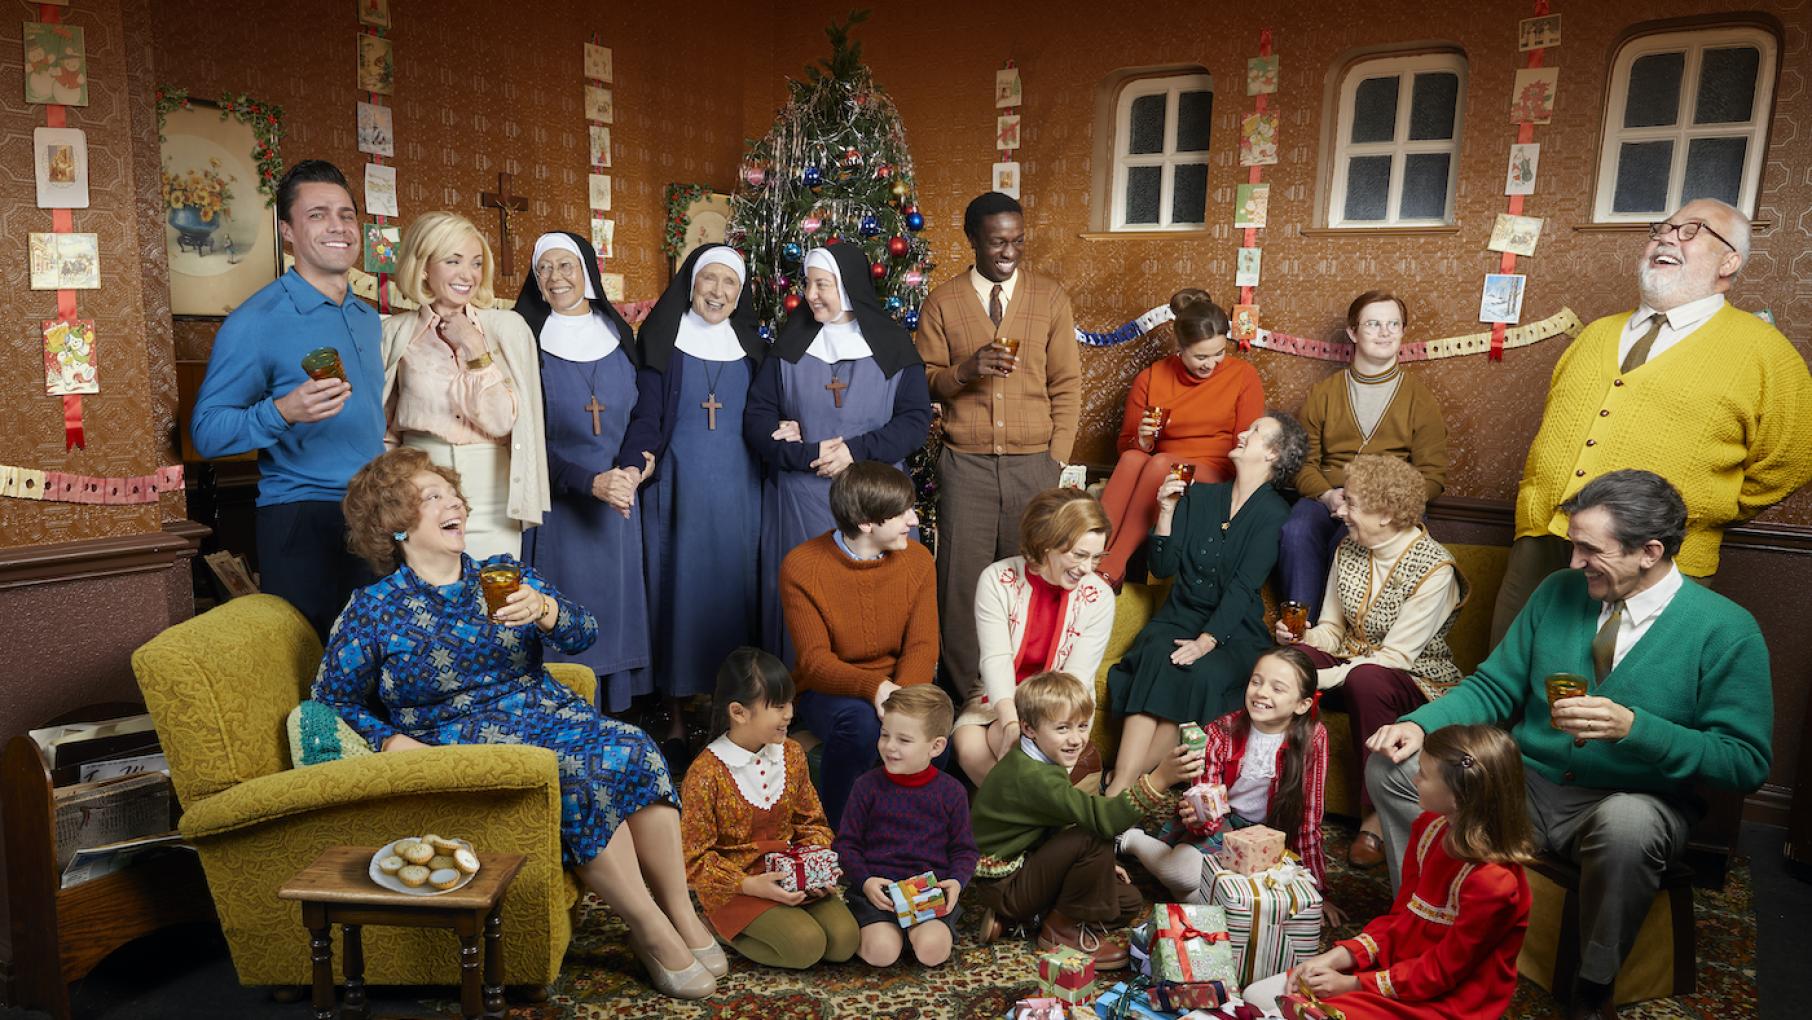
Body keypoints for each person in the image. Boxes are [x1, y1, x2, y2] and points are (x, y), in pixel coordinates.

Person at [1366, 470, 1773, 1020]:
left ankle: (1593, 983)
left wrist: (1638, 729)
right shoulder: (1557, 592)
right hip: (1527, 785)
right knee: (1397, 766)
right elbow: (1494, 686)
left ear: (1649, 551)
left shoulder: (1726, 629)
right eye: (1573, 545)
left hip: (1633, 800)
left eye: (1589, 549)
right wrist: (1419, 724)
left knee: (1627, 826)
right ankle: (1424, 922)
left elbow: (1745, 762)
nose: (1575, 561)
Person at [314, 448, 718, 1000]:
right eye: (431, 497)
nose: (452, 501)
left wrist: (546, 611)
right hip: (459, 735)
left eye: (451, 493)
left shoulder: (501, 573)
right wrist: (392, 739)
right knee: (577, 773)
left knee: (633, 744)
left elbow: (583, 633)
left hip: (542, 710)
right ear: (395, 526)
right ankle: (648, 930)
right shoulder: (373, 609)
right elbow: (331, 700)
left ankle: (680, 914)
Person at [1492, 198, 1812, 644]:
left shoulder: (1766, 353)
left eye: (1690, 230)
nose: (1664, 236)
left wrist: (1695, 512)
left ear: (1730, 261)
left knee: (1618, 697)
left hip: (1656, 559)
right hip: (1543, 544)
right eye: (1661, 228)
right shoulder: (1597, 334)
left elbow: (1791, 460)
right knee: (1506, 688)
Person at [190, 160, 384, 637]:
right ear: (288, 232)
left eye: (345, 214)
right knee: (313, 674)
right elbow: (206, 432)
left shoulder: (366, 316)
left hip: (376, 512)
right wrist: (282, 411)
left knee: (383, 671)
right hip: (303, 517)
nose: (337, 226)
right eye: (318, 214)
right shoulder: (257, 320)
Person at [915, 192, 1081, 710]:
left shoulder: (1049, 298)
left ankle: (1026, 699)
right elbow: (921, 380)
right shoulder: (943, 301)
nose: (1009, 251)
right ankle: (972, 701)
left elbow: (1068, 384)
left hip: (1034, 465)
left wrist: (1054, 460)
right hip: (965, 466)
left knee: (1029, 580)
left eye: (1018, 240)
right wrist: (965, 370)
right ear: (972, 241)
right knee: (962, 586)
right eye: (997, 242)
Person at [1243, 724, 1533, 1020]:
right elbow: (1400, 919)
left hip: (1445, 999)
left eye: (1423, 773)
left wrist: (1353, 984)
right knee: (1256, 996)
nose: (1414, 778)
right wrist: (1337, 957)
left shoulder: (1493, 883)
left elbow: (1443, 971)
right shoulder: (1429, 828)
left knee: (1298, 1012)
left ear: (1458, 797)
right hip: (1399, 970)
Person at [1276, 454, 1466, 869]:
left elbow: (1395, 658)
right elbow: (1330, 629)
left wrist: (1317, 677)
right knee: (1292, 659)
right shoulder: (1349, 547)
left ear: (1385, 514)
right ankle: (1282, 794)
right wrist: (1301, 640)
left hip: (1411, 681)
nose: (1340, 511)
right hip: (1352, 663)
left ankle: (1375, 818)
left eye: (1353, 504)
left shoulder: (1435, 569)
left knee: (1367, 678)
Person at [1104, 412, 1308, 795]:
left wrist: (1207, 640)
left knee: (1201, 673)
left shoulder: (1274, 514)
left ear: (1274, 454)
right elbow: (1162, 568)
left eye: (1256, 432)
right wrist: (1165, 511)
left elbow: (1244, 588)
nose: (1243, 433)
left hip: (1233, 631)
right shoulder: (1199, 495)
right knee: (1156, 657)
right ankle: (1123, 787)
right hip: (1178, 617)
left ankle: (1124, 788)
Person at [745, 243, 931, 661]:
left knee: (873, 609)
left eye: (822, 284)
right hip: (800, 503)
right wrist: (800, 449)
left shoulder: (893, 347)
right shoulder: (788, 346)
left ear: (846, 288)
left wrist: (855, 452)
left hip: (875, 502)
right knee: (804, 607)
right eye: (808, 283)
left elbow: (915, 421)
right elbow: (757, 418)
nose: (810, 293)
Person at [623, 243, 766, 759]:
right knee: (676, 596)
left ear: (740, 292)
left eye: (730, 283)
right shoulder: (663, 338)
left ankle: (725, 711)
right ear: (692, 282)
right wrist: (636, 462)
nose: (719, 292)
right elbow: (645, 414)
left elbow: (770, 410)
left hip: (740, 490)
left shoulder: (753, 347)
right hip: (678, 488)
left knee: (731, 596)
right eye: (710, 280)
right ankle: (678, 716)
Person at [969, 670, 1202, 969]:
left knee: (1126, 901)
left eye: (1082, 726)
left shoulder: (1037, 757)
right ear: (1028, 728)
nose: (1076, 739)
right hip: (1007, 881)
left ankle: (1025, 919)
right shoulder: (1034, 777)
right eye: (1062, 728)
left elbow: (1060, 821)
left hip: (1029, 865)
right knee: (1095, 835)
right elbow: (1102, 820)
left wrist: (1100, 867)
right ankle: (1058, 932)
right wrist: (1158, 780)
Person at [512, 231, 651, 713]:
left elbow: (643, 417)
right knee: (560, 622)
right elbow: (520, 439)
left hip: (619, 504)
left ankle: (612, 716)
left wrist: (632, 469)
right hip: (559, 507)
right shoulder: (523, 337)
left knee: (612, 619)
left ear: (586, 271)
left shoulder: (618, 333)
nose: (555, 277)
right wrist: (589, 481)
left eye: (565, 265)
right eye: (544, 268)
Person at [778, 461, 939, 828]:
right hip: (830, 689)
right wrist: (875, 688)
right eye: (902, 513)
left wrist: (901, 699)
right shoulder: (802, 566)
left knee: (931, 731)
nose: (913, 520)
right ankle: (841, 833)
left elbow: (923, 644)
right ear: (867, 523)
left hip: (901, 685)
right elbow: (816, 663)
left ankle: (908, 831)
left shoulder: (917, 560)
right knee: (862, 727)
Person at [381, 211, 548, 561]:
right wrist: (394, 492)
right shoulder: (395, 331)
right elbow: (384, 428)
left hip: (493, 489)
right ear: (424, 266)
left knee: (495, 598)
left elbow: (503, 422)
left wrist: (474, 348)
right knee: (432, 601)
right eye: (453, 261)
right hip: (419, 487)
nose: (467, 275)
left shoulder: (506, 328)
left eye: (475, 263)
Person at [679, 647, 860, 971]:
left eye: (790, 702)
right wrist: (749, 885)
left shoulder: (791, 754)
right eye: (777, 706)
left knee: (845, 941)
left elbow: (813, 822)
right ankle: (715, 927)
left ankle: (784, 918)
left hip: (791, 874)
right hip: (737, 885)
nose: (789, 714)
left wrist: (813, 866)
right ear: (739, 712)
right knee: (806, 947)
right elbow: (692, 860)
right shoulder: (706, 773)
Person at [1117, 648, 1332, 915]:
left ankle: (1203, 900)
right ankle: (1132, 840)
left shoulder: (1315, 737)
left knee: (1245, 903)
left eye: (1277, 688)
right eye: (1256, 681)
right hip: (1224, 822)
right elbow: (1206, 806)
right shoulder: (1221, 731)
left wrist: (1316, 891)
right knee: (1184, 876)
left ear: (1302, 704)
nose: (1261, 692)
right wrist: (1200, 818)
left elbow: (1309, 817)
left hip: (1272, 831)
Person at [1279, 290, 1448, 617]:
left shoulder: (1420, 398)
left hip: (1385, 507)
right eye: (1373, 324)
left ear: (1402, 332)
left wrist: (1383, 505)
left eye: (1393, 324)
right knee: (1296, 529)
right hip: (1327, 498)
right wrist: (1328, 496)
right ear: (1353, 332)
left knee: (1354, 534)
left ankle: (1341, 639)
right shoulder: (1323, 393)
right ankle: (1302, 634)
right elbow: (1302, 463)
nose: (1385, 332)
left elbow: (1432, 476)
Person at [1097, 290, 1264, 589]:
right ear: (1181, 348)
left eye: (1218, 353)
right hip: (1161, 468)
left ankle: (1110, 568)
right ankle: (1092, 554)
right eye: (1200, 356)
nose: (1211, 364)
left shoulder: (1243, 376)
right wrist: (1144, 442)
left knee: (1160, 463)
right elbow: (1126, 446)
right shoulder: (1152, 377)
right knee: (1134, 457)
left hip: (1217, 471)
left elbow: (1247, 444)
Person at [954, 487, 1116, 786]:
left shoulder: (1100, 597)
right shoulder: (997, 579)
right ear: (1045, 545)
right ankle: (1028, 816)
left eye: (1096, 557)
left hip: (1063, 705)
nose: (1087, 569)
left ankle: (1015, 819)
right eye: (1079, 555)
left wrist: (1040, 729)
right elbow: (996, 658)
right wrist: (1011, 723)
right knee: (968, 746)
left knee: (1022, 751)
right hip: (998, 694)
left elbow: (1077, 678)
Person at [832, 685, 977, 968]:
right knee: (881, 954)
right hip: (878, 894)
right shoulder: (866, 786)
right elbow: (846, 844)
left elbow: (964, 850)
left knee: (932, 952)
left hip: (928, 895)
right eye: (885, 734)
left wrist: (957, 882)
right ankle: (888, 935)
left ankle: (914, 936)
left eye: (904, 740)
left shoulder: (952, 792)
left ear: (936, 746)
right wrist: (865, 880)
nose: (890, 746)